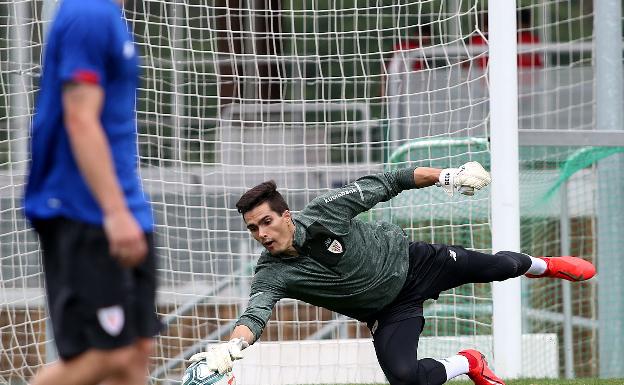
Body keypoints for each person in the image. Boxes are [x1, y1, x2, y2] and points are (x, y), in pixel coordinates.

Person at [190, 162, 595, 385]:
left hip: (417, 263)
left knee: (501, 266)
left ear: (286, 216)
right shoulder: (271, 273)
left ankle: (547, 266)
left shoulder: (328, 208)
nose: (261, 234)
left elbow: (390, 180)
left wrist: (447, 177)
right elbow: (254, 315)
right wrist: (231, 348)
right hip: (387, 310)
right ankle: (469, 363)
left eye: (265, 222)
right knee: (405, 379)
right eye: (253, 229)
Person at [23, 1, 160, 384]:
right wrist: (114, 213)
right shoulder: (88, 13)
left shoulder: (110, 15)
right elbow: (80, 118)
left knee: (136, 351)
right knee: (109, 355)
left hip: (124, 204)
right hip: (87, 209)